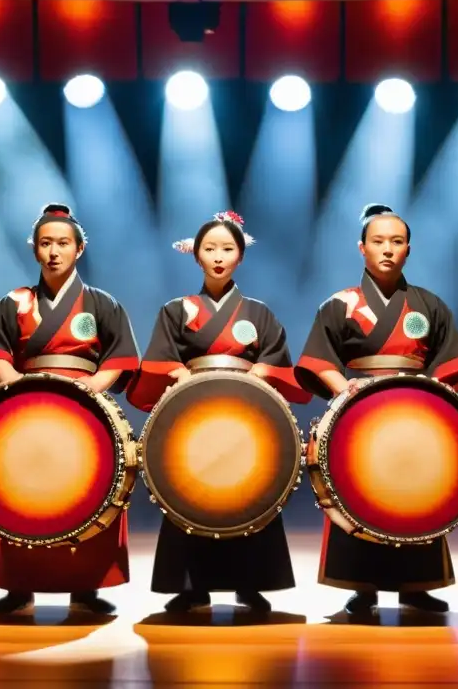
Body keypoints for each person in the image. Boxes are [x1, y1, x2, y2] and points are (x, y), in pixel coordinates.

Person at [294, 203, 458, 617]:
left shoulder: (428, 304)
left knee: (417, 491)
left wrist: (430, 398)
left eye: (396, 242)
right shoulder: (340, 304)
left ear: (409, 249)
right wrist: (345, 390)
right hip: (357, 413)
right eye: (378, 242)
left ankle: (419, 585)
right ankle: (361, 586)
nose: (388, 250)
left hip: (415, 415)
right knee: (355, 489)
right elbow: (318, 359)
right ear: (362, 248)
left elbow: (451, 364)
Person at [127, 210, 311, 614]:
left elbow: (275, 357)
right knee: (188, 491)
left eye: (227, 248)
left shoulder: (258, 313)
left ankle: (252, 583)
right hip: (194, 416)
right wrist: (181, 374)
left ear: (240, 256)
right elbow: (162, 358)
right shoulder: (176, 310)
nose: (218, 256)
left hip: (246, 418)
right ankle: (191, 585)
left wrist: (259, 371)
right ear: (196, 255)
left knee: (251, 491)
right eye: (210, 248)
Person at [0, 203, 140, 616]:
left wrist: (91, 390)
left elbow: (120, 358)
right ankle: (18, 585)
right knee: (19, 490)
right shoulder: (14, 303)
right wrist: (17, 385)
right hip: (26, 407)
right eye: (45, 243)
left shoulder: (100, 303)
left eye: (63, 243)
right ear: (34, 250)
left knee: (91, 489)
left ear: (79, 249)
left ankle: (86, 585)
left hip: (85, 408)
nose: (53, 251)